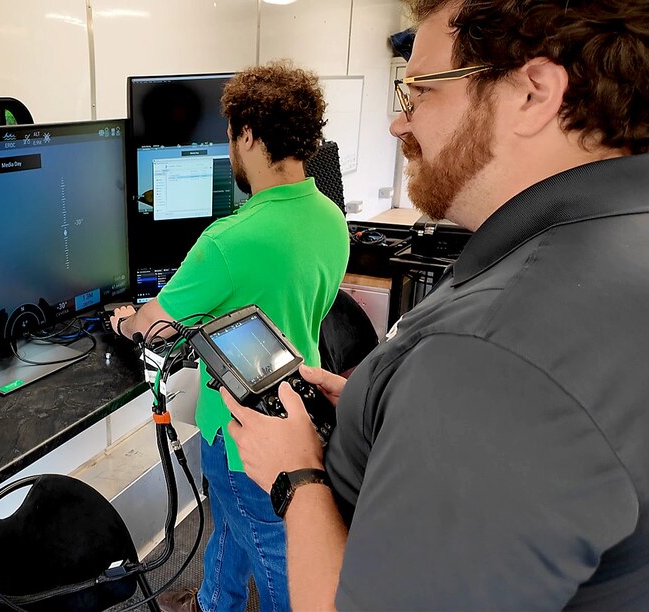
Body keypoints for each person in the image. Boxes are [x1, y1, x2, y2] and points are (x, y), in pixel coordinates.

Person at [224, 0, 649, 609]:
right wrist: (389, 406)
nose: (399, 123)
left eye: (419, 90)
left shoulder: (488, 359)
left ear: (533, 93)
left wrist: (296, 476)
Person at [111, 61, 349, 611]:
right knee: (232, 527)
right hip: (302, 410)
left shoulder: (228, 240)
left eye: (229, 135)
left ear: (246, 134)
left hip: (243, 433)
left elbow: (155, 323)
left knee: (276, 556)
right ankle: (215, 601)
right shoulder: (330, 217)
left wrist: (123, 321)